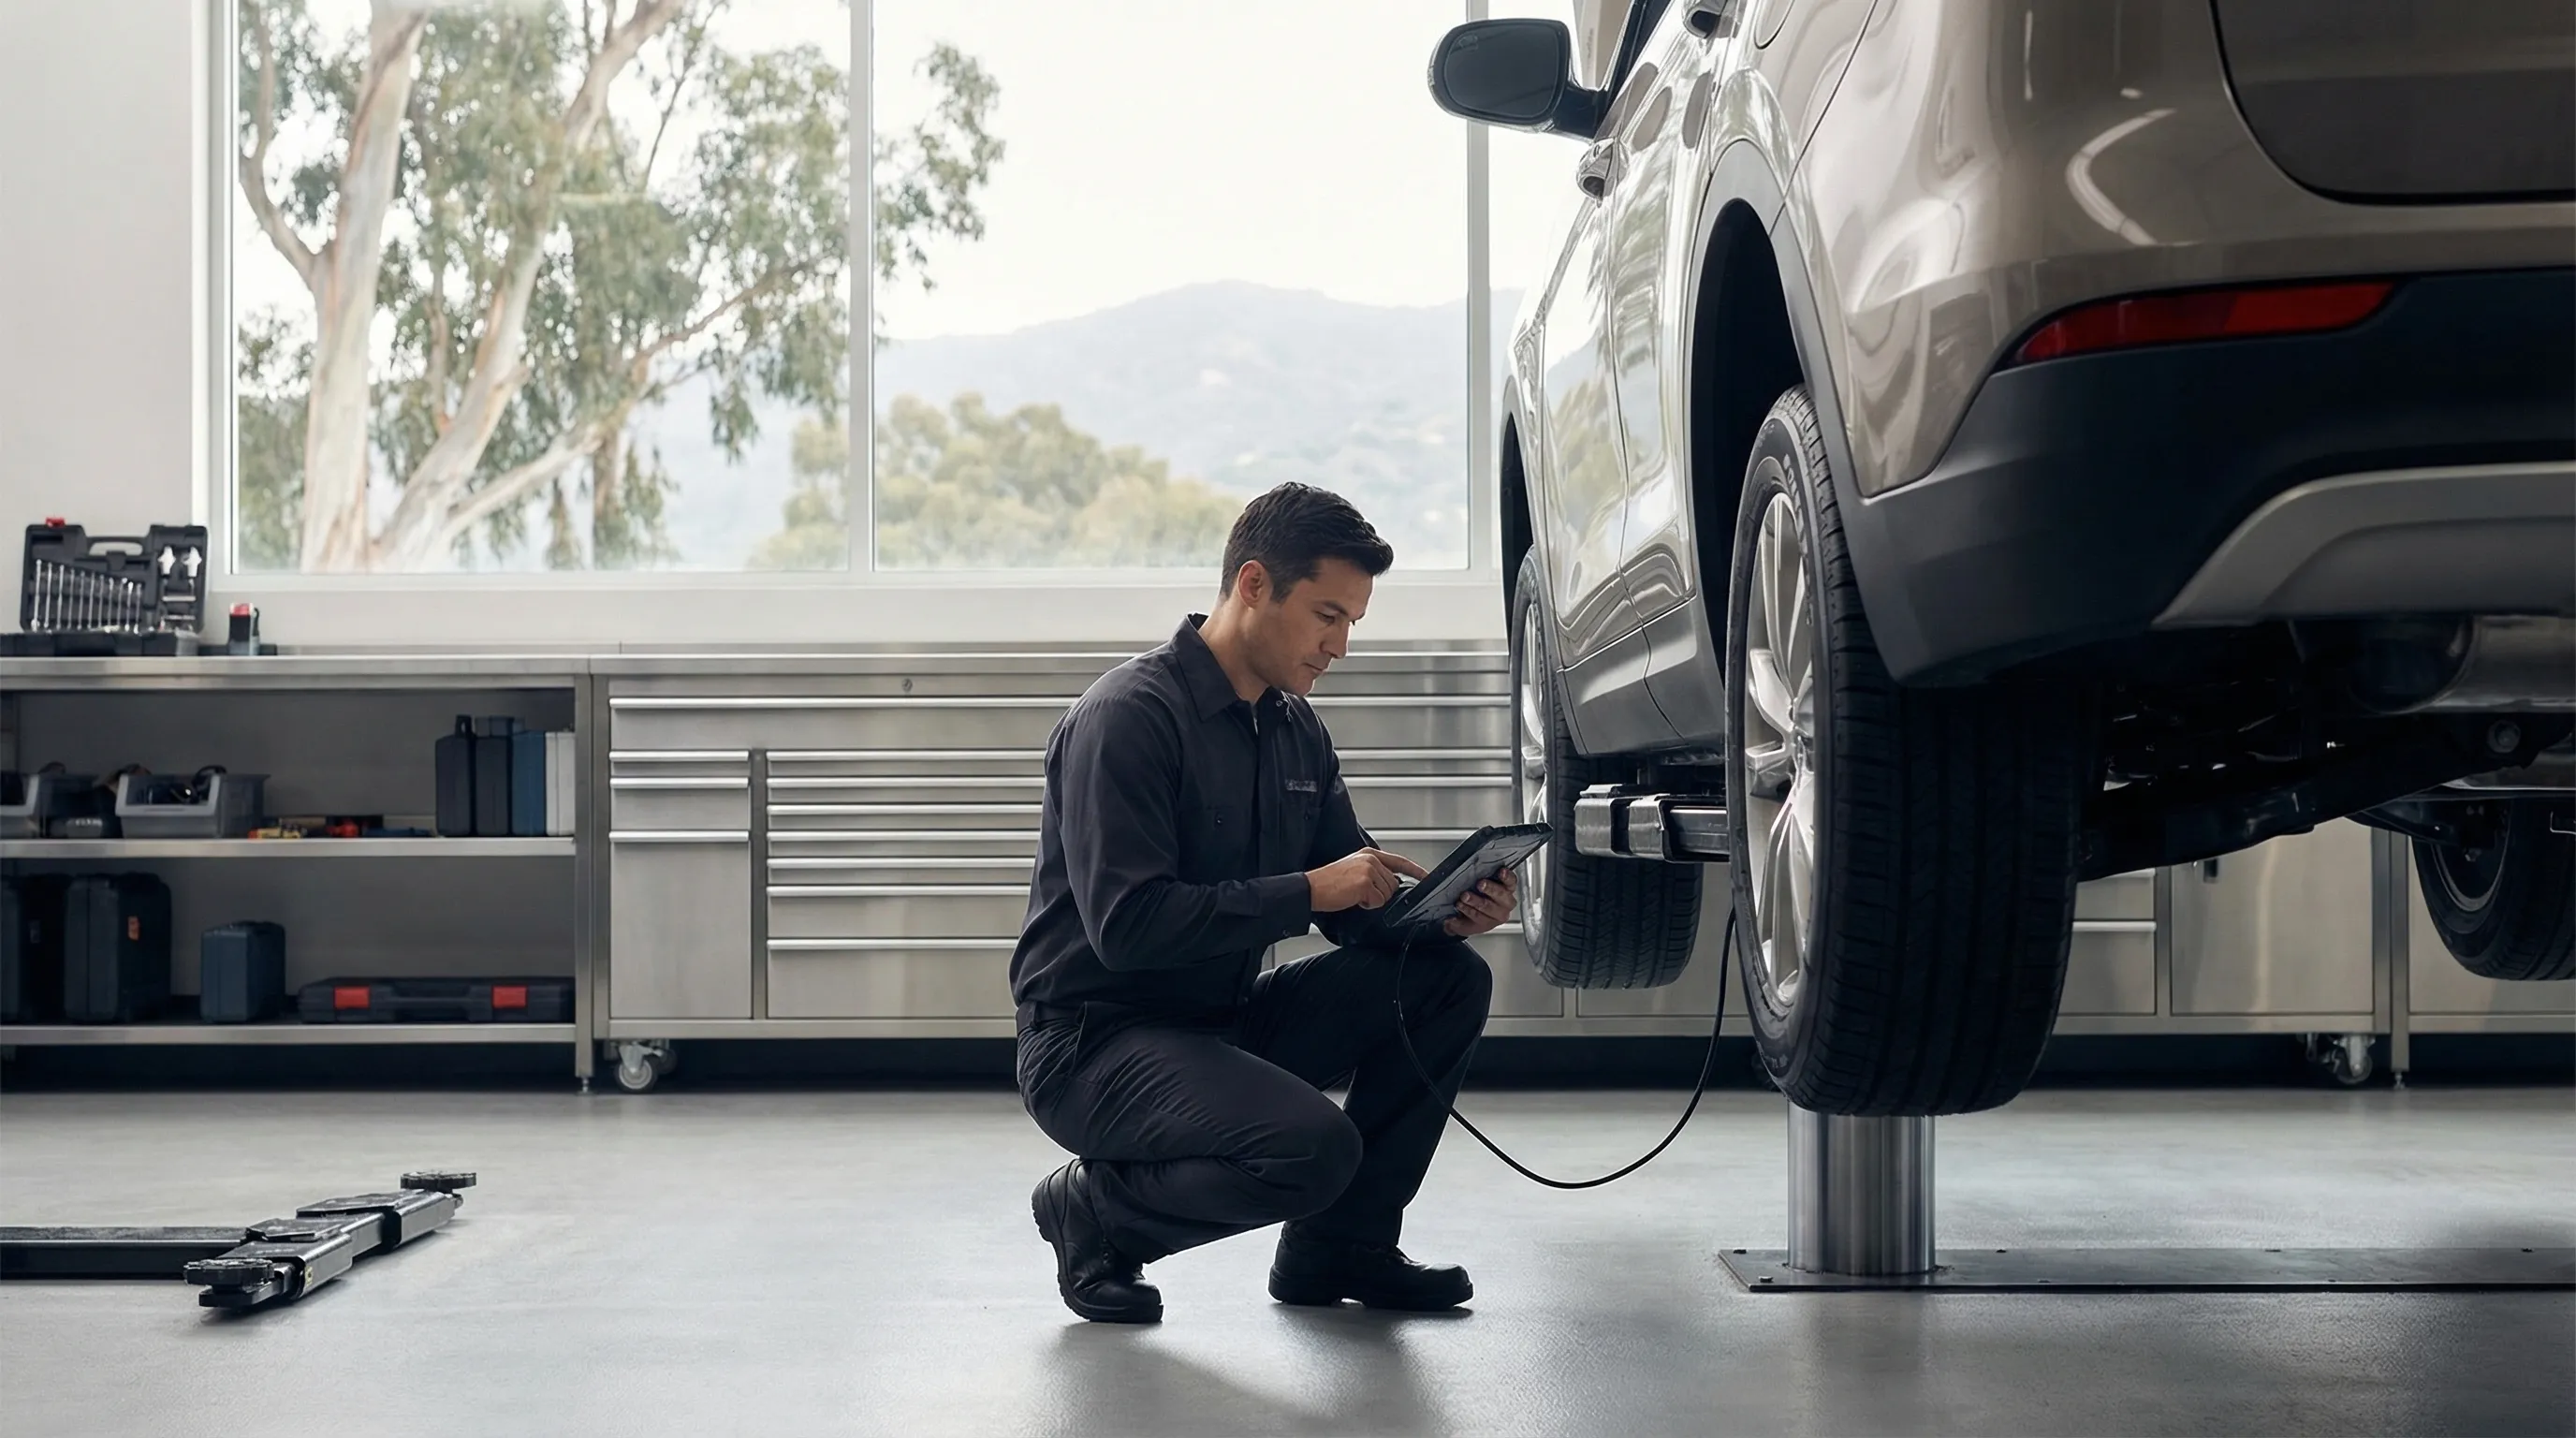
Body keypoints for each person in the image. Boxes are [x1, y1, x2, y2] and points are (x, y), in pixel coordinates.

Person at [1012, 482, 1516, 1324]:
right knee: (1315, 1148)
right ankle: (1093, 1214)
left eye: (1352, 621)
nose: (1341, 646)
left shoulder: (1295, 731)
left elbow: (1349, 910)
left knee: (1446, 980)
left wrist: (1441, 914)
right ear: (1253, 586)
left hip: (1222, 1021)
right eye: (1327, 615)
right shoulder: (1127, 720)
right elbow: (1128, 929)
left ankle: (1339, 1248)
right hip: (1093, 1043)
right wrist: (1310, 889)